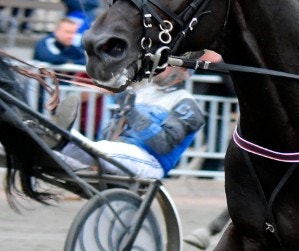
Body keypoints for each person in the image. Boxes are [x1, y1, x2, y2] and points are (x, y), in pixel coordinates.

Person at [57, 64, 205, 180]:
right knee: (65, 153)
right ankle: (55, 137)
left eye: (164, 64)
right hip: (118, 153)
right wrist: (120, 116)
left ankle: (63, 140)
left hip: (150, 162)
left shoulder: (187, 104)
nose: (156, 67)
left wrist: (131, 111)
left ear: (182, 70)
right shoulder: (142, 93)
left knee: (97, 150)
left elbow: (162, 144)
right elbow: (107, 137)